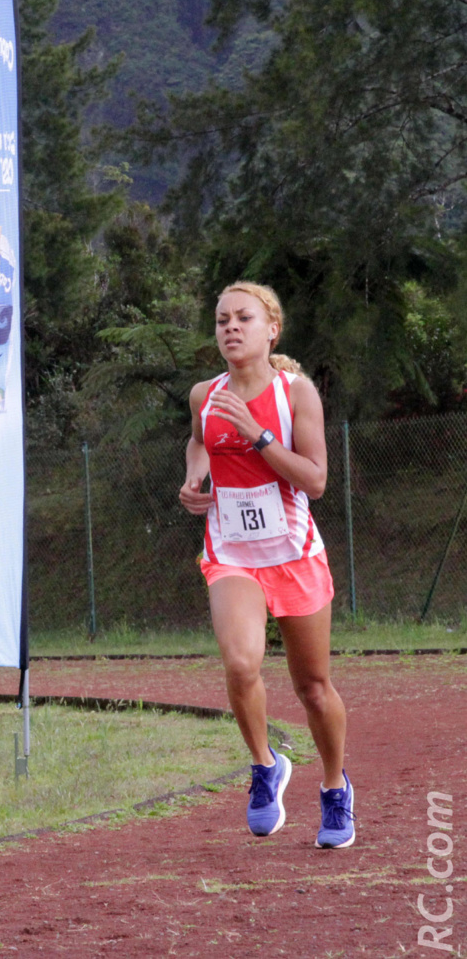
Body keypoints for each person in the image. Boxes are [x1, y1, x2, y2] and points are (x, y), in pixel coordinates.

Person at [179, 281, 355, 849]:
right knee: (240, 662)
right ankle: (265, 766)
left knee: (313, 687)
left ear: (270, 329)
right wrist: (194, 477)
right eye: (222, 319)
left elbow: (316, 481)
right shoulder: (203, 393)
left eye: (244, 319)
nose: (231, 327)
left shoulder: (296, 394)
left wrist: (256, 436)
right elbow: (199, 441)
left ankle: (334, 787)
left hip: (293, 551)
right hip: (230, 550)